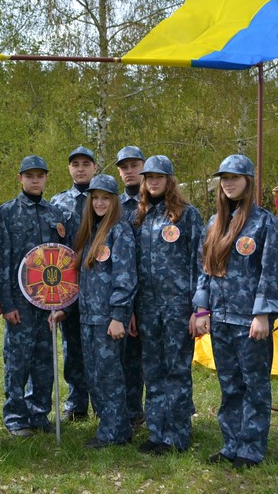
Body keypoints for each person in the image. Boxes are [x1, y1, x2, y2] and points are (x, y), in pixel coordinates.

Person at [190, 154, 278, 468]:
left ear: (248, 181)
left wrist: (263, 314)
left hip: (249, 321)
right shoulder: (214, 223)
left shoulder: (263, 222)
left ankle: (251, 449)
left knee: (255, 386)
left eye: (235, 177)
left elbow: (272, 271)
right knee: (230, 386)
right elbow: (204, 268)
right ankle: (231, 444)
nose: (229, 183)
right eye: (224, 178)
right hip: (220, 319)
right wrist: (201, 308)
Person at [51, 174, 137, 449]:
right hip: (88, 318)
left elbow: (125, 277)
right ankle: (113, 427)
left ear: (114, 201)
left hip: (107, 320)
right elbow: (84, 280)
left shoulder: (119, 230)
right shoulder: (90, 232)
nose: (99, 203)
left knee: (110, 375)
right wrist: (66, 309)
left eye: (105, 198)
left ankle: (114, 432)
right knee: (95, 375)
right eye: (95, 198)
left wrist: (118, 316)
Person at [131, 155, 203, 455]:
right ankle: (157, 432)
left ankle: (177, 433)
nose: (154, 181)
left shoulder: (187, 215)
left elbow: (201, 263)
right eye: (149, 177)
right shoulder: (140, 217)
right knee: (153, 370)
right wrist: (132, 309)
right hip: (147, 308)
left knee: (176, 370)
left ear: (170, 180)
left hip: (178, 308)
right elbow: (132, 267)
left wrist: (199, 308)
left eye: (159, 176)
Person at [0, 155, 66, 437]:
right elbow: (2, 261)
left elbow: (64, 262)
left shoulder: (56, 214)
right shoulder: (7, 213)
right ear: (19, 178)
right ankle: (15, 416)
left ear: (47, 177)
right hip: (20, 303)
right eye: (29, 175)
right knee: (18, 360)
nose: (35, 180)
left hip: (48, 303)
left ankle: (39, 412)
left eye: (40, 175)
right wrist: (7, 302)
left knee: (44, 358)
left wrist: (62, 304)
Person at [49, 146, 98, 421]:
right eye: (75, 164)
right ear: (69, 169)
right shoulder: (58, 203)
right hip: (67, 284)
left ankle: (108, 404)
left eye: (86, 164)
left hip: (99, 284)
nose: (80, 168)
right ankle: (77, 404)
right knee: (72, 346)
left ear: (95, 168)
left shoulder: (103, 198)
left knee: (101, 348)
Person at [115, 145, 146, 430]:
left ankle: (174, 412)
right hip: (126, 292)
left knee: (163, 358)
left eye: (134, 165)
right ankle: (132, 411)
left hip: (158, 293)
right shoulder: (116, 207)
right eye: (124, 167)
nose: (129, 171)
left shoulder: (160, 202)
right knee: (129, 357)